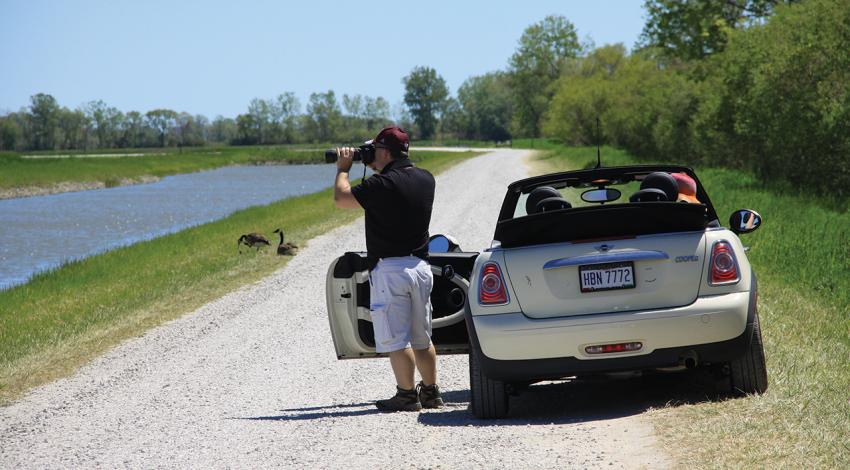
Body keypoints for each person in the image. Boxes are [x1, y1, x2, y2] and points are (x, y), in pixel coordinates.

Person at [333, 126, 443, 412]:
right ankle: (431, 393)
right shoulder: (426, 179)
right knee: (422, 337)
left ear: (383, 152)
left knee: (397, 338)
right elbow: (396, 182)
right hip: (420, 267)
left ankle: (406, 395)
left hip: (391, 269)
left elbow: (342, 199)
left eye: (374, 150)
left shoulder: (381, 185)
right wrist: (375, 163)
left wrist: (344, 168)